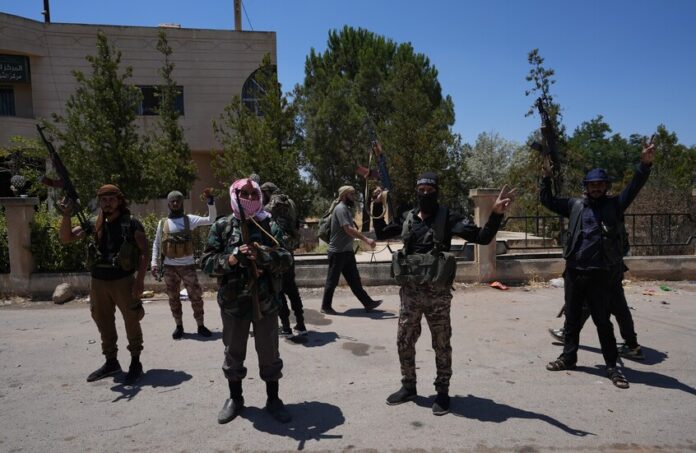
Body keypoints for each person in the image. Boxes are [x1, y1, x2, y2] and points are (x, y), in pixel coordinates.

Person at [384, 172, 515, 415]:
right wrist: (377, 205)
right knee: (404, 340)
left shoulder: (448, 217)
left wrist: (496, 213)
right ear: (416, 191)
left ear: (436, 192)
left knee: (441, 343)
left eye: (430, 190)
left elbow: (483, 237)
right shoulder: (408, 217)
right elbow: (381, 233)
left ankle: (442, 391)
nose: (425, 194)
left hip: (437, 294)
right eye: (421, 190)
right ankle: (408, 386)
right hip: (410, 293)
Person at [542, 137, 655, 388]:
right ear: (586, 186)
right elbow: (547, 201)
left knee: (603, 322)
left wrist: (644, 165)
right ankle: (568, 357)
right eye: (592, 185)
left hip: (601, 275)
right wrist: (546, 178)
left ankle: (612, 367)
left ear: (606, 186)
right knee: (572, 320)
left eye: (600, 184)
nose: (596, 188)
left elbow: (634, 187)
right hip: (574, 273)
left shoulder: (615, 205)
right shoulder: (574, 205)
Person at [201, 178, 293, 424]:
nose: (250, 198)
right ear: (235, 195)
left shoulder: (269, 225)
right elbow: (207, 263)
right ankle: (235, 398)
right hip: (233, 304)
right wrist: (232, 259)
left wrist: (263, 255)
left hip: (266, 303)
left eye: (254, 194)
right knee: (233, 353)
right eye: (245, 193)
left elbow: (287, 259)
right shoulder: (222, 226)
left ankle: (273, 399)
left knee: (269, 353)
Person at [59, 184, 148, 385]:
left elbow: (144, 252)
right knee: (103, 321)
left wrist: (140, 280)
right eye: (103, 200)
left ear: (119, 200)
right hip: (99, 281)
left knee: (131, 319)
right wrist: (66, 215)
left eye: (111, 199)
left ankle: (135, 362)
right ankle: (111, 362)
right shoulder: (93, 223)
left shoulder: (131, 223)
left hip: (123, 281)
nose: (107, 203)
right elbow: (66, 238)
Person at [151, 189, 216, 340]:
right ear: (168, 204)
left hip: (188, 266)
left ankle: (200, 325)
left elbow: (211, 219)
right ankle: (179, 326)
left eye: (178, 201)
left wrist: (211, 202)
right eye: (172, 201)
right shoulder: (163, 223)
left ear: (182, 203)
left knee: (196, 297)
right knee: (173, 298)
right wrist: (153, 263)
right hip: (169, 267)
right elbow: (157, 244)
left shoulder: (189, 220)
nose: (175, 203)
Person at [320, 185, 382, 315]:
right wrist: (366, 239)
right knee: (332, 281)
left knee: (355, 280)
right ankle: (325, 306)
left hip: (347, 251)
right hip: (337, 252)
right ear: (344, 196)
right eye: (351, 194)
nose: (353, 197)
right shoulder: (340, 209)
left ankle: (368, 303)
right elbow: (348, 229)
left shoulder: (346, 209)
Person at [548, 279, 644, 360]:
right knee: (618, 306)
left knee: (587, 302)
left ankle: (567, 335)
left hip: (598, 272)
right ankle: (632, 345)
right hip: (611, 271)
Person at [260, 182, 307, 336]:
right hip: (289, 249)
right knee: (292, 288)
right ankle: (301, 324)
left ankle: (286, 327)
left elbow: (262, 217)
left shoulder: (272, 203)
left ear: (267, 192)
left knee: (278, 290)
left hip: (277, 251)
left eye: (262, 193)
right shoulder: (290, 201)